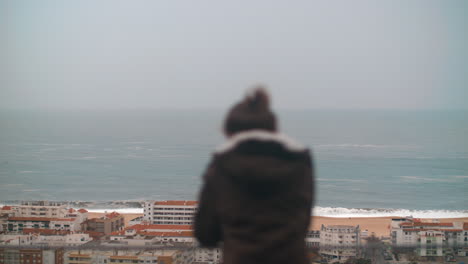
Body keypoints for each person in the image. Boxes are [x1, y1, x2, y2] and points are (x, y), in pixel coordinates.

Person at [194, 87, 314, 264]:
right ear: (273, 130)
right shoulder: (299, 162)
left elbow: (205, 233)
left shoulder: (222, 165)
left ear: (230, 133)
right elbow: (303, 222)